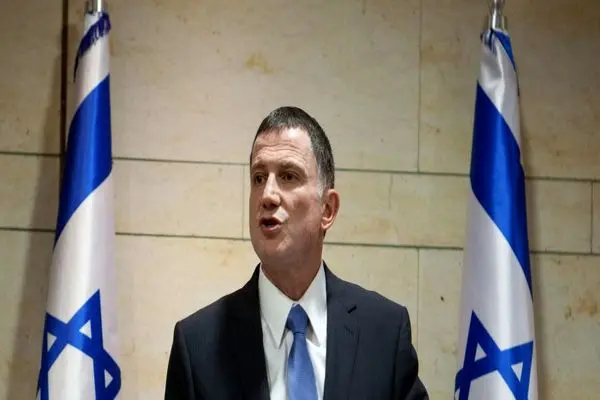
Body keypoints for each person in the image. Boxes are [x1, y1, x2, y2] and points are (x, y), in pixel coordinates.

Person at [164, 106, 428, 399]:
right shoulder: (197, 345)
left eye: (288, 176)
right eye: (258, 178)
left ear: (327, 210)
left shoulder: (384, 334)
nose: (267, 195)